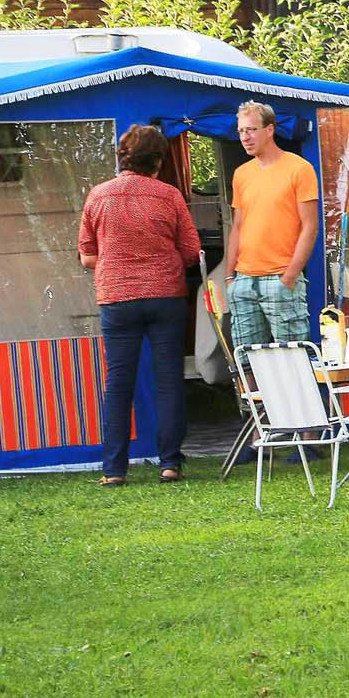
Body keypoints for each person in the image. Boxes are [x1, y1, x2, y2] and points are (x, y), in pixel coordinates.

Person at [79, 125, 201, 488]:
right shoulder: (169, 195)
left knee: (118, 384)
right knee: (168, 382)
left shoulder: (98, 196)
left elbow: (87, 255)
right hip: (166, 296)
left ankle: (114, 469)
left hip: (117, 299)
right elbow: (192, 251)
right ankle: (169, 464)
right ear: (159, 160)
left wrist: (116, 261)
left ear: (123, 156)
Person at [226, 101, 320, 348]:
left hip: (280, 276)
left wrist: (289, 277)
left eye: (251, 130)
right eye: (241, 131)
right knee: (246, 363)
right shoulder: (241, 174)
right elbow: (237, 226)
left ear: (270, 130)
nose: (245, 137)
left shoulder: (299, 168)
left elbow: (310, 226)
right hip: (243, 280)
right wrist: (229, 277)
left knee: (292, 361)